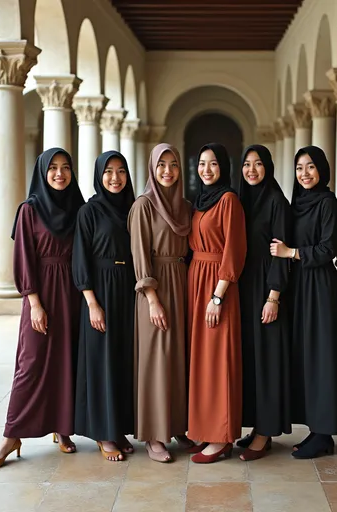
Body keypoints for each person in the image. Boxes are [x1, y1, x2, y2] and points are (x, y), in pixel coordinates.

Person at [0, 148, 84, 470]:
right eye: (52, 168)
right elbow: (24, 257)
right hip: (41, 296)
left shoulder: (78, 208)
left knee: (66, 362)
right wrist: (34, 302)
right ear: (42, 172)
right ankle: (11, 435)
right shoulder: (29, 210)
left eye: (65, 167)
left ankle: (62, 428)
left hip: (72, 294)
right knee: (31, 363)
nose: (59, 174)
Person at [270, 146, 337, 459]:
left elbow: (327, 248)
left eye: (311, 167)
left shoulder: (328, 202)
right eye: (300, 168)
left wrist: (291, 253)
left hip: (319, 286)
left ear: (322, 171)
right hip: (298, 286)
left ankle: (324, 433)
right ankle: (315, 431)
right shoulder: (296, 203)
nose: (305, 174)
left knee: (321, 356)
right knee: (304, 355)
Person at [128, 143, 194, 463]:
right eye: (161, 165)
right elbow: (140, 256)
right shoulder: (144, 206)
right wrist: (153, 299)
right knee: (156, 360)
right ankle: (154, 435)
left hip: (181, 284)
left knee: (179, 358)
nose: (167, 171)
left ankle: (178, 425)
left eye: (174, 164)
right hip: (154, 289)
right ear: (152, 170)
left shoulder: (185, 207)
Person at [73, 150, 136, 462]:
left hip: (128, 289)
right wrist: (92, 303)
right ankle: (102, 432)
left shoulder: (133, 208)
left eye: (121, 171)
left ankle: (119, 427)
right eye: (109, 171)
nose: (115, 178)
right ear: (99, 175)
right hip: (100, 290)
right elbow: (80, 258)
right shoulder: (90, 211)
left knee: (123, 361)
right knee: (102, 362)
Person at [187, 143, 247, 463]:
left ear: (223, 167)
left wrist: (217, 295)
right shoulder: (198, 202)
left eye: (213, 164)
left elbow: (234, 251)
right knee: (201, 361)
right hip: (196, 280)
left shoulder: (228, 200)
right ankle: (204, 429)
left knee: (218, 362)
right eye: (201, 163)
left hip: (217, 286)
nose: (206, 169)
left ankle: (222, 437)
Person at [237, 144, 292, 461]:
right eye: (247, 164)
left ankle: (265, 431)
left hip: (267, 289)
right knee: (251, 360)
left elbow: (280, 255)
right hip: (243, 289)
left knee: (267, 360)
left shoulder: (276, 202)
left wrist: (274, 296)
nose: (252, 169)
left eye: (258, 164)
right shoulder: (241, 201)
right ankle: (257, 426)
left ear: (268, 167)